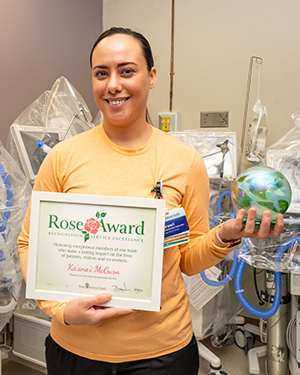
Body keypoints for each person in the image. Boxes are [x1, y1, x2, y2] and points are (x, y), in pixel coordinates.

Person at [18, 27, 284, 375]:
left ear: (152, 76)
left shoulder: (184, 161)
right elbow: (29, 244)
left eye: (126, 70)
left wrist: (224, 235)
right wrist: (60, 311)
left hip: (161, 354)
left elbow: (187, 259)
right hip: (75, 349)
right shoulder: (63, 158)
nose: (113, 84)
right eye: (102, 74)